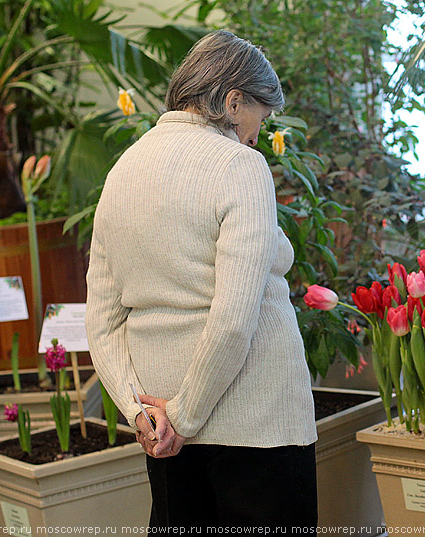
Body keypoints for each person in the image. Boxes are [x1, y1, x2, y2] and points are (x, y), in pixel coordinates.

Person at [85, 30, 318, 531]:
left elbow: (101, 322)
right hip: (259, 423)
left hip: (161, 426)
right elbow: (234, 319)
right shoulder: (241, 165)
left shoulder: (122, 169)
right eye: (261, 114)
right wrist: (185, 416)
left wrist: (145, 417)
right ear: (233, 102)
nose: (259, 131)